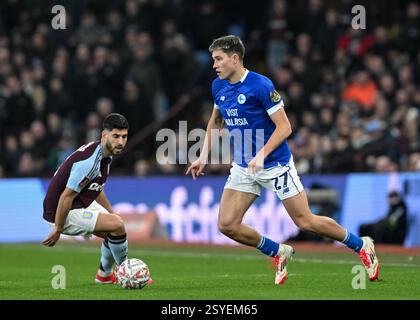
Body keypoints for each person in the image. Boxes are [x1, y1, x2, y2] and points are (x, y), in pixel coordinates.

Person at [186, 35, 380, 284]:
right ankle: (278, 252)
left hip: (275, 164)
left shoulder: (260, 85)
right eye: (214, 60)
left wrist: (261, 154)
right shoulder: (218, 86)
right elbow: (216, 120)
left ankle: (361, 245)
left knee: (306, 221)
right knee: (227, 224)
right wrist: (203, 155)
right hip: (244, 166)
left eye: (218, 59)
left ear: (235, 58)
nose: (214, 65)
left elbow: (285, 127)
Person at [42, 113, 151, 285]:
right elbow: (65, 197)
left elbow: (95, 187)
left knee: (115, 227)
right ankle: (129, 273)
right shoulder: (90, 161)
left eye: (124, 137)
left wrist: (111, 211)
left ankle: (104, 276)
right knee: (117, 226)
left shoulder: (104, 154)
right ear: (104, 135)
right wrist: (58, 229)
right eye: (116, 136)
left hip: (76, 203)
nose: (121, 142)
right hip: (60, 211)